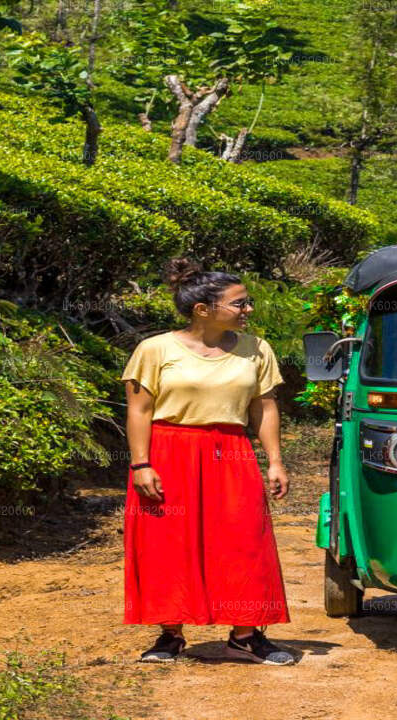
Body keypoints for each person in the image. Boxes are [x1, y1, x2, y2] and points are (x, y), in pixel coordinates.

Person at [121, 258, 296, 665]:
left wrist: (275, 460)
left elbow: (264, 408)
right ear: (203, 309)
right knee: (167, 543)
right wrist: (140, 464)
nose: (248, 309)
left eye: (247, 302)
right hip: (169, 450)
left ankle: (246, 633)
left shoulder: (257, 350)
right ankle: (169, 634)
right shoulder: (155, 349)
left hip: (232, 451)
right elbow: (139, 411)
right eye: (239, 303)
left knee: (243, 540)